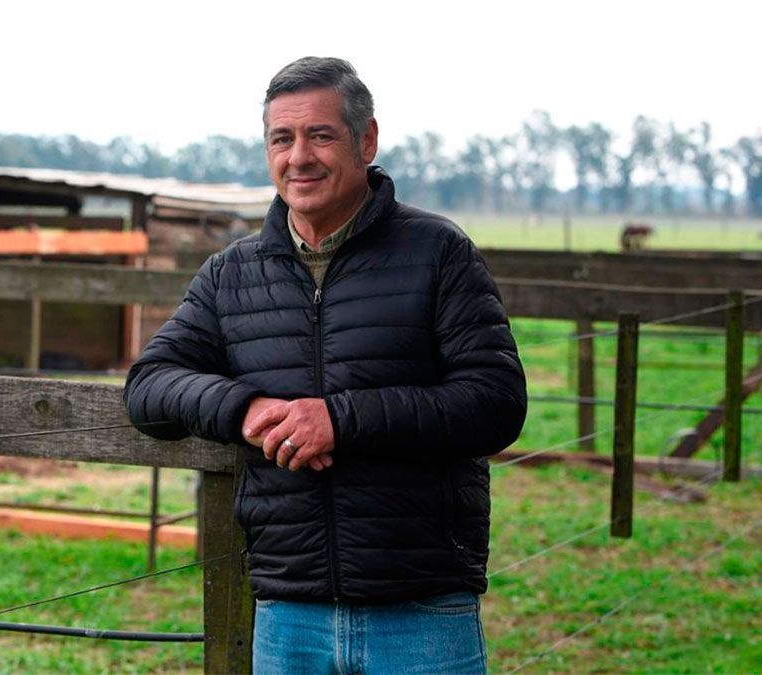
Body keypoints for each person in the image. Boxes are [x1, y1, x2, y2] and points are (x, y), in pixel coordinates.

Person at [124, 56, 526, 674]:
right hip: (289, 611)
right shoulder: (233, 274)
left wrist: (340, 420)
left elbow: (495, 402)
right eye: (281, 139)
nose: (299, 157)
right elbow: (149, 387)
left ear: (366, 141)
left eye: (320, 135)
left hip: (420, 609)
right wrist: (245, 409)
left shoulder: (439, 253)